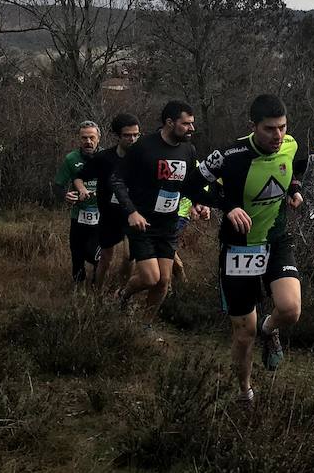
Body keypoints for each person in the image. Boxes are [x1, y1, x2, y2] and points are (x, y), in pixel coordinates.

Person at [194, 94, 307, 403]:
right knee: (244, 335)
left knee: (290, 309)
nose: (278, 135)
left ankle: (270, 330)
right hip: (238, 249)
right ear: (253, 126)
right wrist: (227, 206)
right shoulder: (229, 155)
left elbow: (294, 167)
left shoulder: (291, 144)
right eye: (270, 129)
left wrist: (294, 190)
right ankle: (245, 392)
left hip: (276, 240)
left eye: (282, 127)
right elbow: (191, 184)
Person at [109, 100, 211, 319]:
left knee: (163, 281)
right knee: (150, 278)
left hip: (168, 224)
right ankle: (123, 294)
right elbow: (116, 180)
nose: (191, 129)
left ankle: (144, 325)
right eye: (186, 124)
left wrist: (198, 203)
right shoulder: (144, 147)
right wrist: (131, 212)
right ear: (169, 122)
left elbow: (189, 184)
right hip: (142, 222)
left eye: (192, 124)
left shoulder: (188, 149)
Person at [88, 114, 141, 294]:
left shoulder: (143, 157)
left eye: (136, 135)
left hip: (132, 214)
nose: (132, 139)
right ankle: (97, 293)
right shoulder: (104, 158)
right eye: (127, 135)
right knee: (106, 258)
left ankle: (122, 294)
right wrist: (79, 190)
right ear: (118, 136)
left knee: (129, 257)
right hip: (109, 215)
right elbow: (81, 176)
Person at [54, 120, 105, 286]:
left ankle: (96, 287)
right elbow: (58, 186)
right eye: (84, 138)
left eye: (91, 137)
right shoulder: (71, 159)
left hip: (101, 216)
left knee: (95, 254)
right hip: (79, 216)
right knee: (77, 255)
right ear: (79, 139)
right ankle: (77, 290)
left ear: (99, 137)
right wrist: (65, 196)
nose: (88, 142)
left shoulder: (107, 157)